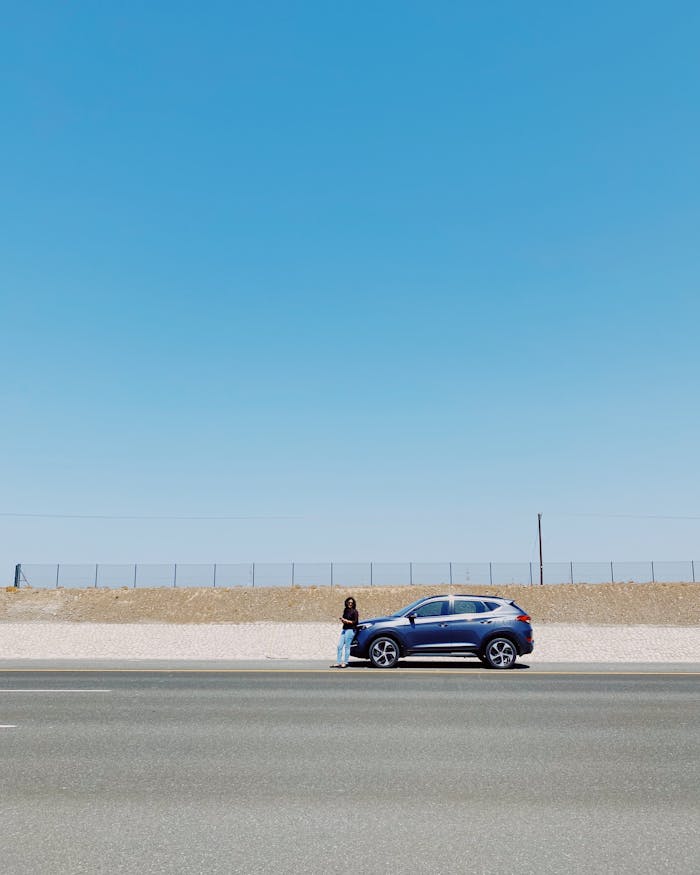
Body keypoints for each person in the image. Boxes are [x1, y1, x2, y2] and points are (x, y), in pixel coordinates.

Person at [331, 597, 358, 668]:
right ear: (346, 603)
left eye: (352, 603)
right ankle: (338, 662)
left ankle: (345, 662)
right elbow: (344, 619)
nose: (350, 604)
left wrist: (347, 621)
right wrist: (342, 620)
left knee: (347, 647)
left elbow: (355, 622)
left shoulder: (355, 611)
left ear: (353, 604)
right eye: (349, 602)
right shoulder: (345, 610)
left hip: (351, 630)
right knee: (339, 646)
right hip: (345, 629)